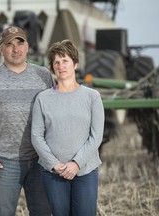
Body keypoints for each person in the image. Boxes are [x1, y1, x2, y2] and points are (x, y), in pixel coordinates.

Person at [0, 26, 53, 216]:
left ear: (28, 46)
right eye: (10, 44)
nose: (16, 49)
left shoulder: (44, 76)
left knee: (44, 213)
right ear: (1, 49)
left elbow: (55, 113)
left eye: (20, 43)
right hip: (4, 163)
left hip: (40, 160)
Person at [31, 39, 105, 216]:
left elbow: (96, 136)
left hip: (85, 171)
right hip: (53, 173)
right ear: (52, 67)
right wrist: (55, 165)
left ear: (75, 64)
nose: (61, 65)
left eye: (65, 61)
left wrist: (76, 163)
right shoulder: (42, 98)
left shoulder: (92, 97)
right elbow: (36, 136)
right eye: (56, 62)